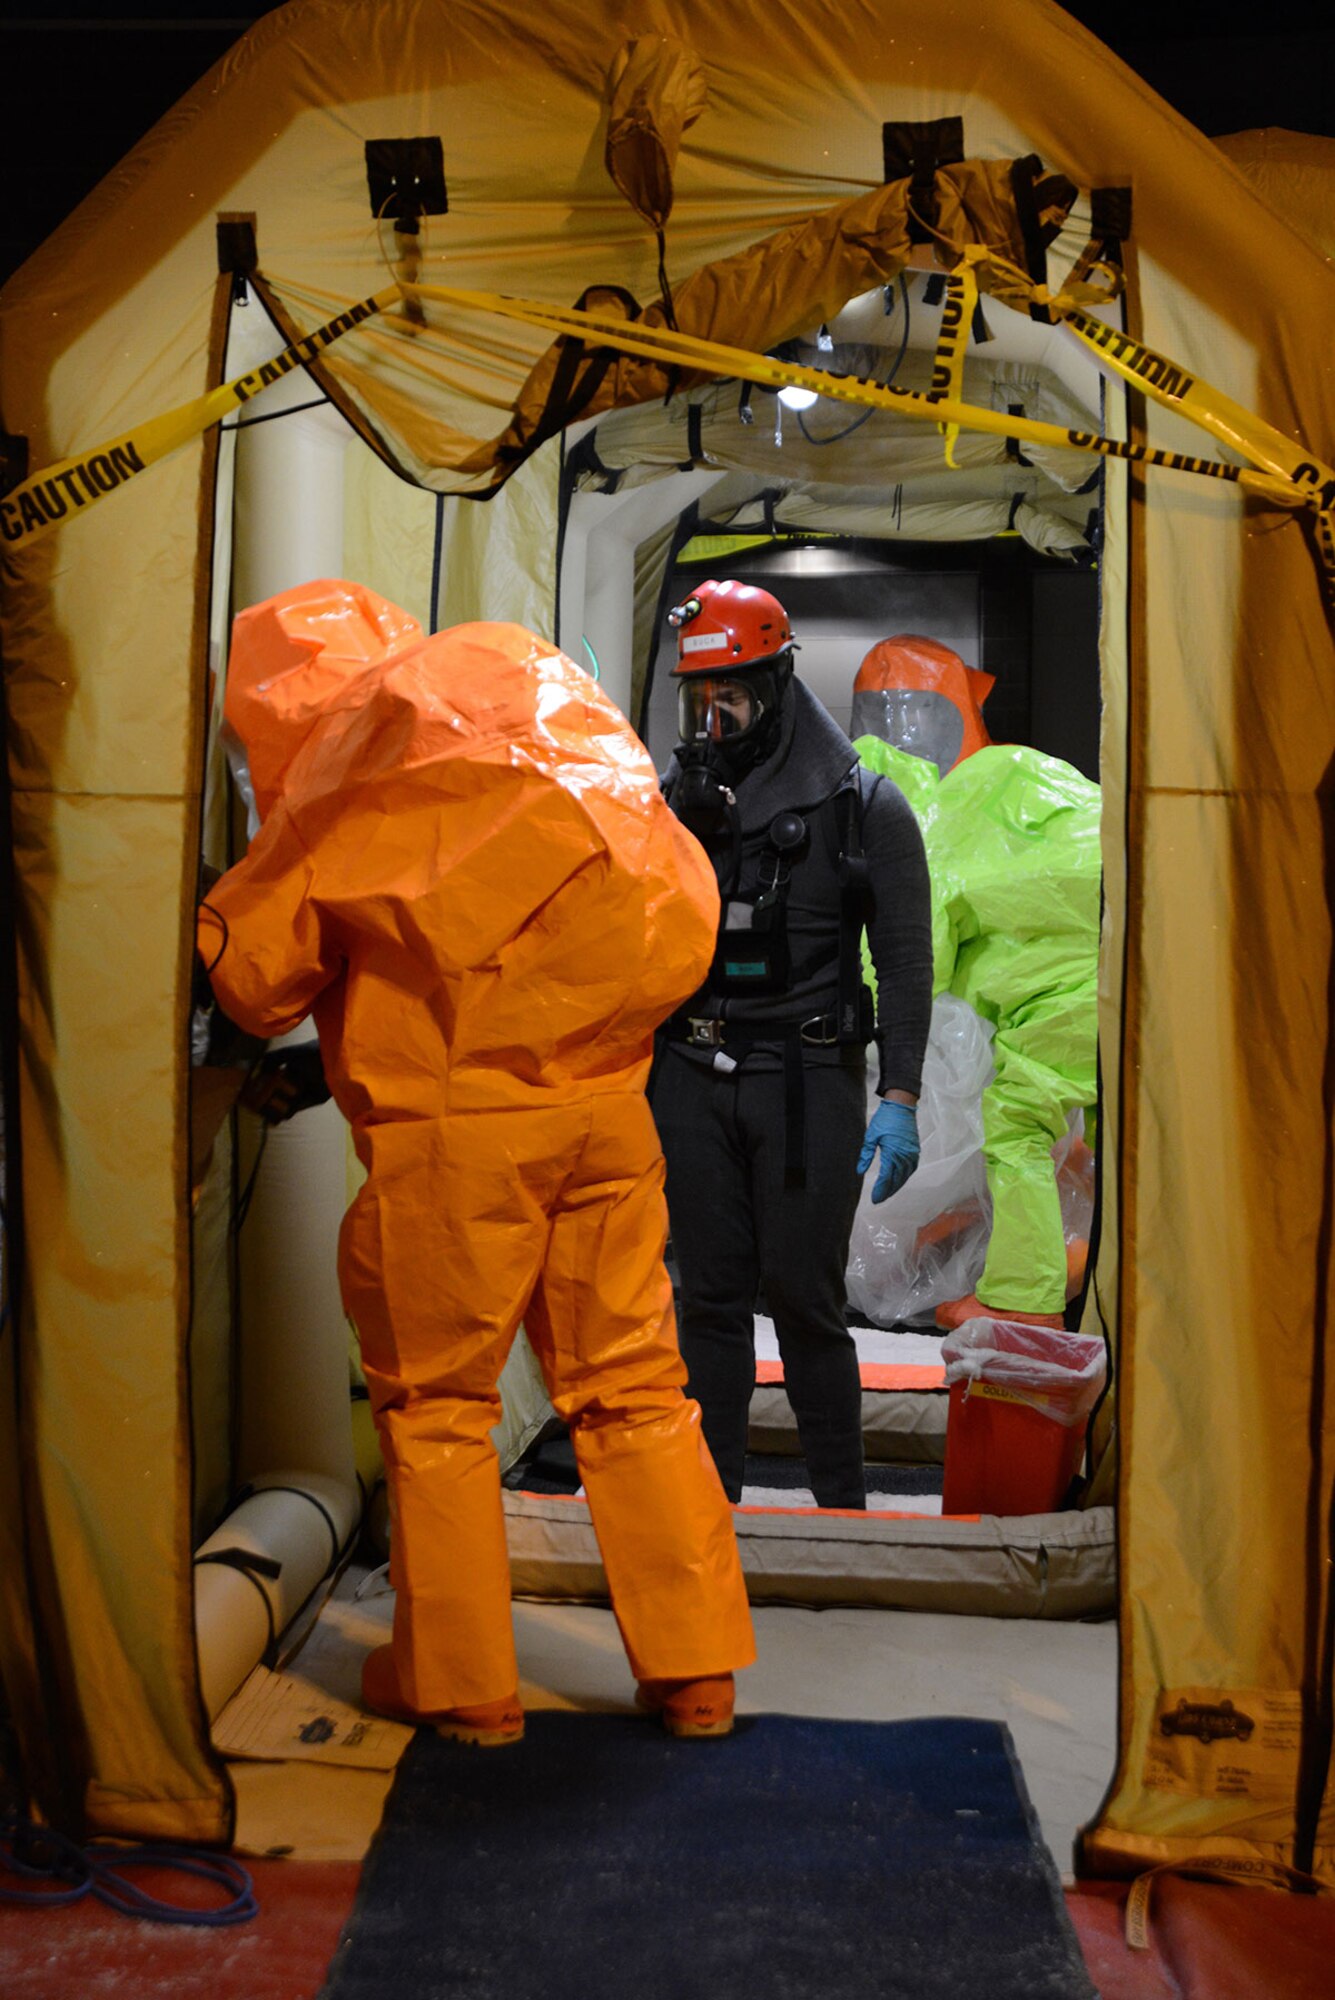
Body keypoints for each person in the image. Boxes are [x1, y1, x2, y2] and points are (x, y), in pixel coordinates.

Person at [198, 579, 755, 1743]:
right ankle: (696, 1668)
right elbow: (668, 885)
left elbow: (253, 974)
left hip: (459, 1141)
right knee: (637, 1386)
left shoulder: (346, 761)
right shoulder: (529, 695)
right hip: (606, 1104)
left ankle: (461, 1684)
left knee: (440, 1404)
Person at [652, 579, 933, 1510]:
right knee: (708, 1302)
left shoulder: (863, 807)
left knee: (808, 1306)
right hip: (692, 1073)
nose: (714, 717)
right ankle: (708, 1515)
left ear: (775, 683)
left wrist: (897, 1097)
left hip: (806, 1077)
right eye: (699, 699)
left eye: (730, 693)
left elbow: (902, 964)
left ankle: (843, 1515)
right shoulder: (675, 805)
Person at [853, 633, 1100, 1329]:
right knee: (1099, 1138)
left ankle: (1024, 1302)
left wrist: (860, 999)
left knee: (1015, 1128)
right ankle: (1089, 1255)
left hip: (1060, 998)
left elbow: (915, 955)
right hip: (1144, 971)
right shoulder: (1023, 774)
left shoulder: (933, 823)